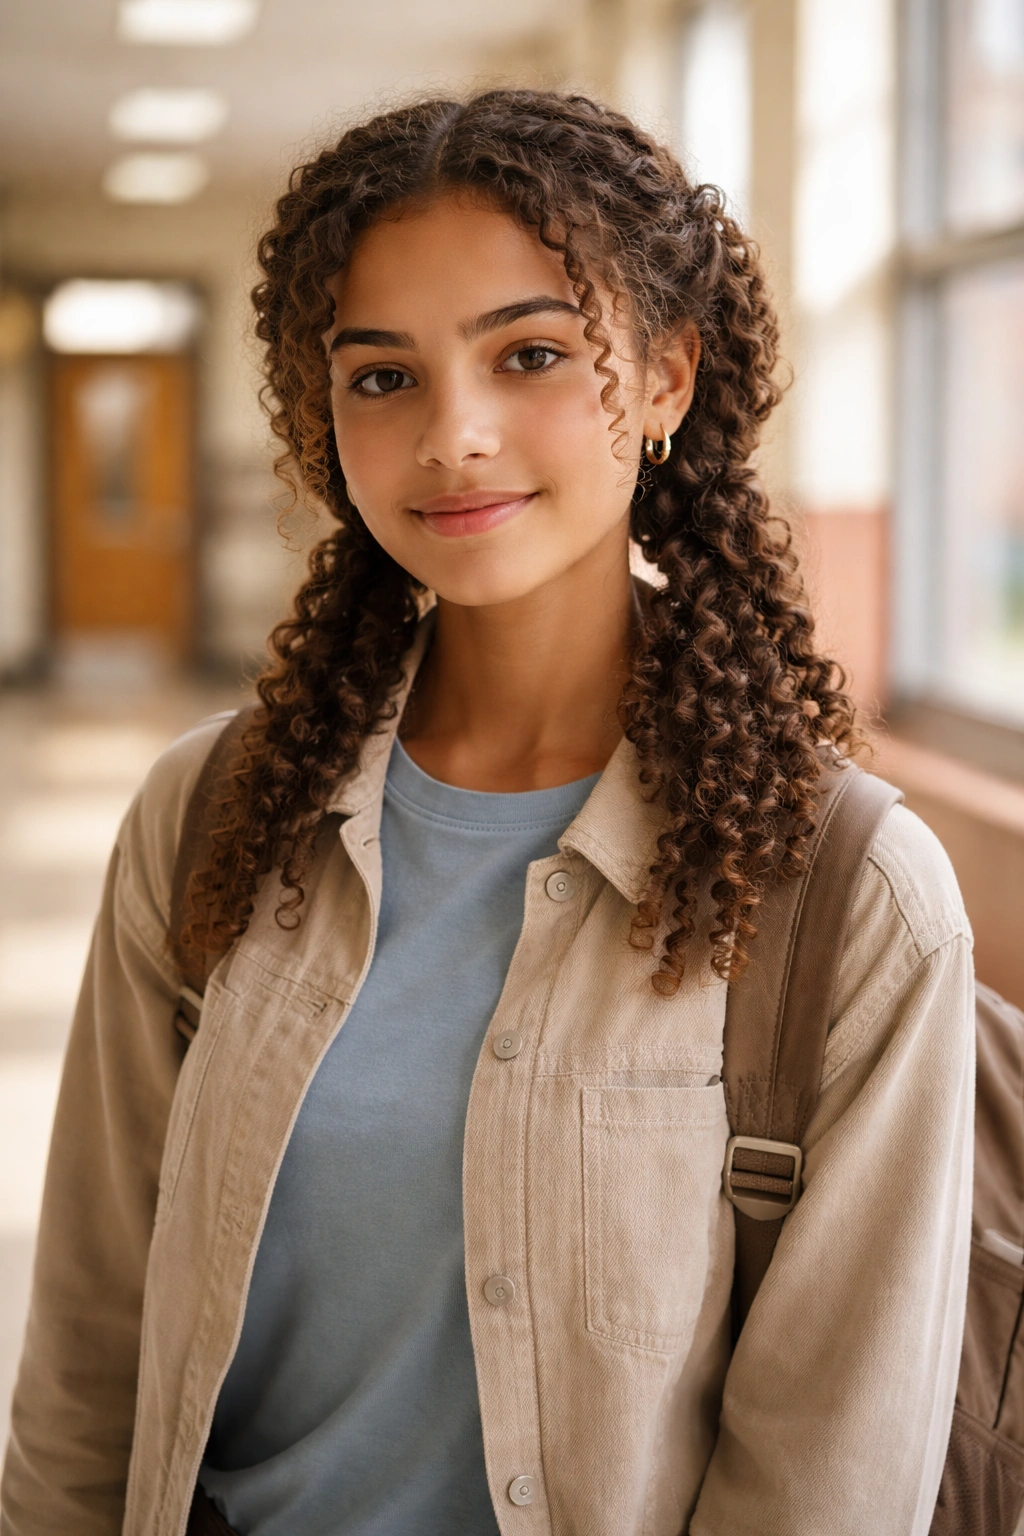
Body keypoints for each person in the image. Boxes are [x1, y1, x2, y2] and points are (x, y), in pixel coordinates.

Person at [0, 90, 974, 1536]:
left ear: (665, 381)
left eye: (530, 355)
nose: (452, 435)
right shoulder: (211, 815)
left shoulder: (847, 896)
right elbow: (90, 1346)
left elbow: (830, 1481)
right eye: (381, 377)